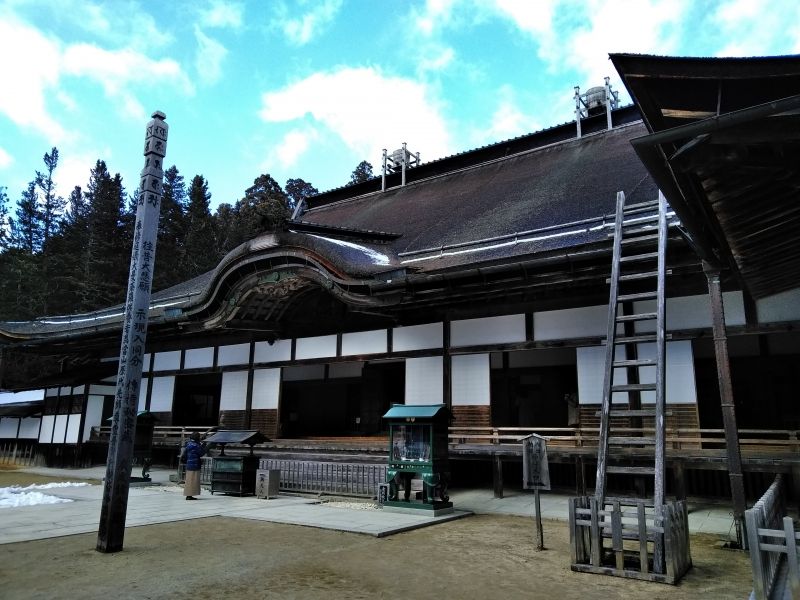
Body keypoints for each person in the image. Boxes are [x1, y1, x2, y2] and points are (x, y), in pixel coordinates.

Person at [183, 432, 206, 500]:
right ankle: (189, 495)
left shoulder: (189, 444)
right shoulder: (196, 445)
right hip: (194, 464)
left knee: (189, 480)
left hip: (189, 463)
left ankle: (189, 494)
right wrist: (204, 445)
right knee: (193, 480)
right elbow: (201, 453)